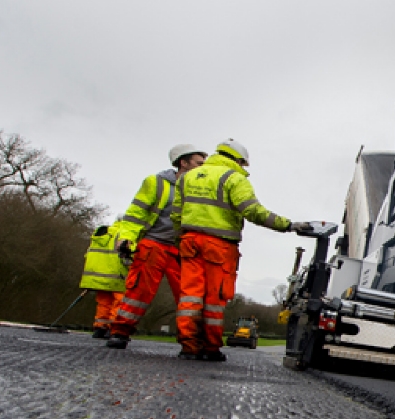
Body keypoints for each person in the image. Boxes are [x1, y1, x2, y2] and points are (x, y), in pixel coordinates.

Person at [170, 139, 310, 361]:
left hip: (190, 242)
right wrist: (288, 225)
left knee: (190, 296)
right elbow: (253, 211)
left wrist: (181, 238)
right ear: (237, 159)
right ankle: (210, 348)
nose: (244, 169)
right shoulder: (233, 178)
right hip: (219, 246)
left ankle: (188, 346)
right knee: (214, 299)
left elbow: (176, 214)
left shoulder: (188, 177)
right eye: (243, 164)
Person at [106, 144, 208, 349]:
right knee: (139, 292)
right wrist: (126, 238)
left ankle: (191, 342)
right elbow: (136, 214)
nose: (202, 168)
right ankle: (120, 332)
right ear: (183, 162)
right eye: (198, 163)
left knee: (189, 297)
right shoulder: (156, 183)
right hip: (154, 244)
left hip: (182, 251)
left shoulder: (202, 188)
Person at [79, 222, 129, 339]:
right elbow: (128, 258)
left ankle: (100, 327)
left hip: (99, 277)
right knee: (119, 303)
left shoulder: (102, 234)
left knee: (103, 303)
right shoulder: (124, 235)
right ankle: (113, 328)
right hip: (118, 276)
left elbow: (90, 255)